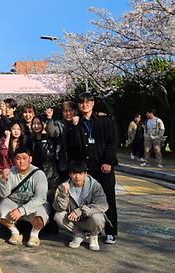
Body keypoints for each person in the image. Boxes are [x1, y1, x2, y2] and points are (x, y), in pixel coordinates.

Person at [66, 92, 118, 244]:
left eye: (88, 101)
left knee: (108, 199)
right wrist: (75, 127)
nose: (85, 104)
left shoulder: (104, 120)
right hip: (86, 170)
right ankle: (90, 230)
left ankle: (110, 231)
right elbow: (73, 145)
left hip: (103, 167)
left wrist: (108, 161)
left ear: (93, 103)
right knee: (86, 199)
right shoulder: (76, 123)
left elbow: (112, 142)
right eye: (81, 102)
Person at [0, 146, 49, 247]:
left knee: (42, 215)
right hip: (14, 201)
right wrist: (3, 180)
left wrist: (21, 210)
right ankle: (15, 232)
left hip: (32, 203)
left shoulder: (39, 174)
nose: (21, 161)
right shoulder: (10, 172)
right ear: (14, 160)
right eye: (18, 158)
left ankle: (34, 234)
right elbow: (3, 195)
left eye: (24, 158)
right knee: (1, 211)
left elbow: (40, 198)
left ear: (30, 159)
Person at [53, 161, 108, 251]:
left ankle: (93, 236)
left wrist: (79, 211)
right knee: (58, 216)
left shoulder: (95, 185)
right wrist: (63, 194)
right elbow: (59, 208)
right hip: (74, 221)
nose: (77, 176)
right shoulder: (63, 186)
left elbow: (102, 205)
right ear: (70, 174)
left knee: (98, 217)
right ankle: (78, 234)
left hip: (90, 220)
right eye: (74, 173)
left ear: (85, 174)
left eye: (80, 173)